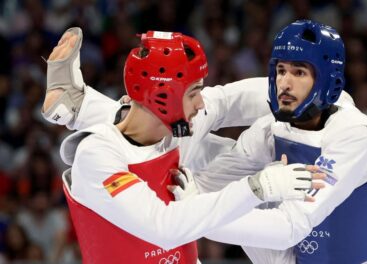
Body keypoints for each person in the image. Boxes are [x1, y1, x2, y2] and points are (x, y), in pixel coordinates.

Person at [44, 28, 324, 263]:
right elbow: (164, 227)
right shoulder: (97, 156)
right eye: (194, 92)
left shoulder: (174, 131)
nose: (201, 102)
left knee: (252, 143)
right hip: (166, 225)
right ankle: (77, 106)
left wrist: (314, 97)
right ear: (161, 96)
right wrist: (258, 187)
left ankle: (76, 105)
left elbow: (225, 100)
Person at [193, 20, 367, 263]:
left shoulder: (355, 138)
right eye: (281, 70)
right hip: (296, 255)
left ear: (327, 81)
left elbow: (288, 227)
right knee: (196, 166)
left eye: (299, 72)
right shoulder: (271, 130)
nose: (285, 83)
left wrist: (190, 219)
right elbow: (209, 183)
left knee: (206, 202)